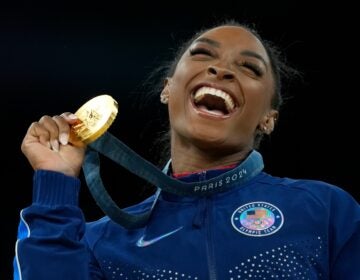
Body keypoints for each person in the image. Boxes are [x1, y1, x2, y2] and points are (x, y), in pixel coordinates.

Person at [14, 20, 360, 280]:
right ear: (168, 89)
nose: (220, 69)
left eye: (249, 68)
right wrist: (54, 187)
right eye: (202, 54)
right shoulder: (101, 242)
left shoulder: (327, 211)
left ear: (268, 119)